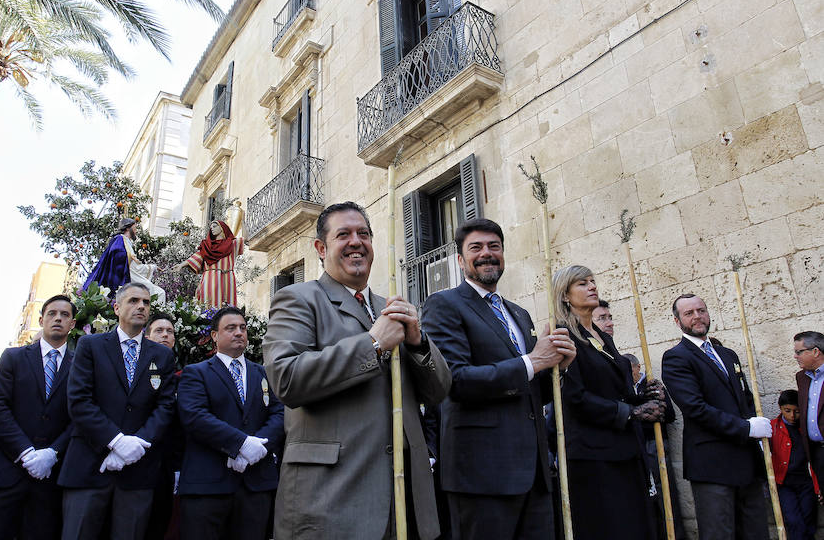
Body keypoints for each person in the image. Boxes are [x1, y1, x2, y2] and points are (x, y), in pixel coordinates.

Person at [263, 201, 451, 540]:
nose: (356, 241)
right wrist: (373, 345)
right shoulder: (298, 299)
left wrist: (418, 342)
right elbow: (286, 378)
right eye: (343, 234)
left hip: (405, 499)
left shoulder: (391, 307)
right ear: (321, 248)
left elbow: (438, 390)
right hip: (332, 500)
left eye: (363, 234)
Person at [420, 218, 575, 539]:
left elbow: (532, 391)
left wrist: (559, 367)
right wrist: (533, 360)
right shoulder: (443, 305)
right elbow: (456, 381)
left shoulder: (519, 314)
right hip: (481, 474)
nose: (486, 254)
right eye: (475, 247)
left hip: (534, 473)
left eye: (494, 246)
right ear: (460, 260)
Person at [58, 282, 176, 540]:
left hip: (139, 470)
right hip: (90, 465)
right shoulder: (90, 346)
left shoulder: (162, 356)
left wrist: (137, 445)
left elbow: (166, 406)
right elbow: (79, 401)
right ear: (116, 308)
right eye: (133, 301)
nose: (141, 307)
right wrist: (116, 441)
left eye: (146, 302)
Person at [551, 265, 658, 539]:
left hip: (624, 448)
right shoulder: (564, 334)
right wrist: (630, 412)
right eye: (582, 284)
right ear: (565, 295)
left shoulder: (603, 336)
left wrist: (645, 396)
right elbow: (575, 397)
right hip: (593, 454)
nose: (591, 287)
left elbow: (614, 388)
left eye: (592, 281)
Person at [662, 293, 770, 540]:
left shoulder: (727, 354)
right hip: (713, 464)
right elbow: (695, 408)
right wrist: (746, 428)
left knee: (756, 532)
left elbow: (744, 397)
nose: (697, 316)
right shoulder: (677, 357)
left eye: (701, 310)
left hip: (747, 460)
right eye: (689, 313)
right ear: (678, 321)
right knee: (719, 533)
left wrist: (757, 427)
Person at [0, 295, 76, 540]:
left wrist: (52, 453)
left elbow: (81, 414)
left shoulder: (81, 365)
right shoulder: (13, 357)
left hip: (50, 479)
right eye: (52, 313)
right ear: (41, 320)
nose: (58, 318)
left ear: (73, 324)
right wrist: (26, 452)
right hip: (5, 472)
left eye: (65, 315)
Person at [178, 306, 284, 540]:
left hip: (255, 487)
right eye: (231, 328)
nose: (239, 333)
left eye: (243, 328)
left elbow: (279, 414)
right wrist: (241, 445)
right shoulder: (196, 373)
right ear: (214, 335)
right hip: (208, 487)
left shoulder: (263, 373)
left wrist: (259, 447)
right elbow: (195, 416)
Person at [623, 353, 687, 540]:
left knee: (665, 493)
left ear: (637, 367)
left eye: (629, 369)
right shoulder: (625, 388)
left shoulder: (651, 386)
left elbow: (669, 415)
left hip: (653, 445)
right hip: (635, 448)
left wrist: (643, 414)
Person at [143, 312, 181, 540]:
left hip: (170, 462)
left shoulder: (185, 376)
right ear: (146, 337)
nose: (165, 335)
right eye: (159, 331)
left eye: (170, 332)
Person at [771, 388, 820, 540]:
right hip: (784, 483)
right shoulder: (772, 428)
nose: (792, 416)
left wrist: (818, 487)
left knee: (809, 520)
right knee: (793, 521)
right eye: (787, 410)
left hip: (806, 483)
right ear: (780, 408)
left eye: (797, 411)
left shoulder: (807, 428)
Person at [82, 218, 166, 302]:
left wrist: (152, 267)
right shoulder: (120, 240)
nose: (136, 231)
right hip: (123, 277)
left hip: (130, 275)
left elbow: (133, 266)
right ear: (127, 228)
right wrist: (151, 267)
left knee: (158, 292)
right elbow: (121, 262)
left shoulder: (125, 242)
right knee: (158, 293)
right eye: (135, 228)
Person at [175, 220, 245, 308]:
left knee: (227, 304)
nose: (212, 229)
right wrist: (181, 265)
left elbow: (245, 239)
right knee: (208, 303)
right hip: (209, 278)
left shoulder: (232, 244)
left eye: (215, 226)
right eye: (211, 227)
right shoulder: (207, 246)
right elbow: (196, 257)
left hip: (227, 278)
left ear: (222, 228)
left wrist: (243, 223)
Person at [795, 331, 824, 483]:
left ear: (815, 351)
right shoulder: (802, 378)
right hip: (817, 453)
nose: (795, 356)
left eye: (799, 352)